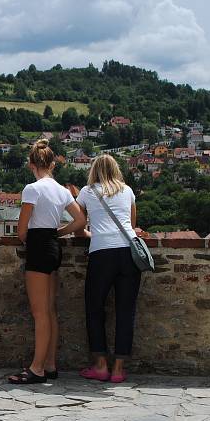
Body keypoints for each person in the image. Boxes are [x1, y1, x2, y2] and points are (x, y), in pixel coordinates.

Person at [8, 140, 86, 384]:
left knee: (39, 312)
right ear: (53, 164)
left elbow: (22, 229)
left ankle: (37, 368)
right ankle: (50, 364)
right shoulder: (62, 190)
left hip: (39, 246)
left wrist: (30, 238)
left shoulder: (32, 189)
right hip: (53, 244)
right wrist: (59, 232)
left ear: (31, 164)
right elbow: (80, 220)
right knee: (50, 311)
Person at [74, 154, 140, 384]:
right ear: (116, 169)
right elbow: (131, 226)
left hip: (102, 252)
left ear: (94, 170)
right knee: (125, 311)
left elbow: (79, 227)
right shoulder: (128, 191)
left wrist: (94, 234)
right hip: (128, 254)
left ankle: (101, 365)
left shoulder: (87, 191)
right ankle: (119, 369)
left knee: (94, 308)